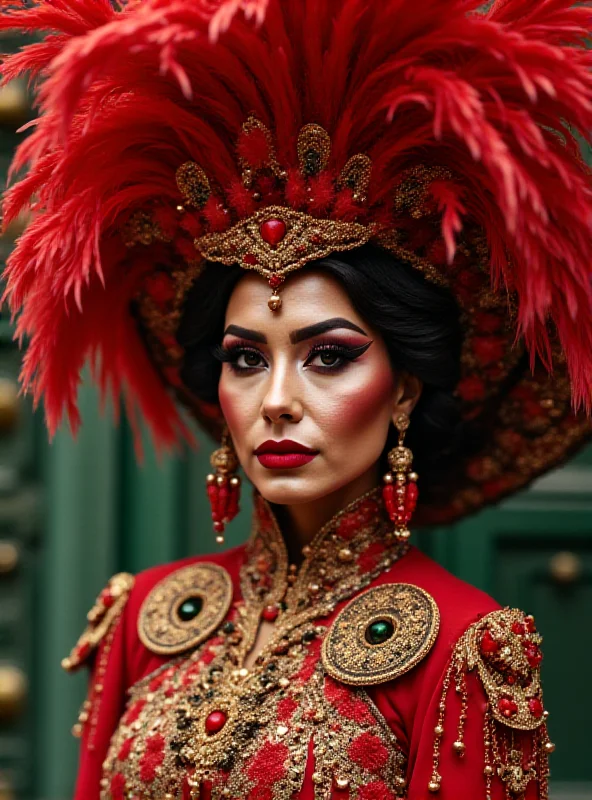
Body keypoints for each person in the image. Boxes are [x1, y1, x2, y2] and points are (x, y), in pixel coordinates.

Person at [1, 0, 591, 798]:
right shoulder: (145, 618)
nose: (277, 399)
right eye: (245, 358)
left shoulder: (463, 642)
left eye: (329, 358)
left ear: (403, 389)